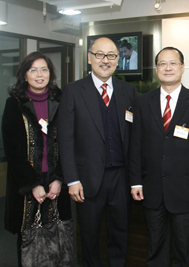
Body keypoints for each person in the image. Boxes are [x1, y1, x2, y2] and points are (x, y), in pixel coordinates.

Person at [129, 47, 189, 267]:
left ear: (182, 67)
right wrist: (136, 180)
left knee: (185, 250)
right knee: (155, 248)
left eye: (173, 63)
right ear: (156, 69)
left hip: (185, 189)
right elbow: (136, 144)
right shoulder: (142, 102)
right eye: (162, 63)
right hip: (152, 188)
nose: (168, 68)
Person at [58, 37, 137, 266]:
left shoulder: (128, 91)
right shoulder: (73, 91)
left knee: (120, 234)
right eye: (100, 55)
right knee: (89, 237)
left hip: (121, 178)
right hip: (87, 179)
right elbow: (65, 138)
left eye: (111, 55)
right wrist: (72, 179)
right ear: (90, 58)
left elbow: (134, 135)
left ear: (117, 60)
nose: (105, 60)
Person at [2, 51, 71, 266]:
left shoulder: (63, 101)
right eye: (33, 70)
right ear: (24, 75)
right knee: (28, 239)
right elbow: (13, 152)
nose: (39, 74)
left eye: (44, 69)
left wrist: (59, 178)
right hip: (26, 182)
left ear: (51, 73)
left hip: (55, 180)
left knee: (57, 236)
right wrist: (32, 184)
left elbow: (71, 143)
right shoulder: (14, 104)